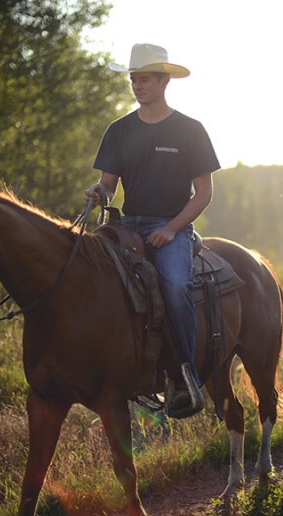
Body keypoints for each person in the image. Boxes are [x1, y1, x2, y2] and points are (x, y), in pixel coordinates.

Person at [84, 43, 220, 419]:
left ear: (164, 81)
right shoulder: (119, 130)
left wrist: (173, 230)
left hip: (170, 225)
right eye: (133, 80)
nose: (136, 86)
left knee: (175, 286)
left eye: (143, 79)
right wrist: (99, 193)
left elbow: (204, 193)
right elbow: (108, 185)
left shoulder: (190, 130)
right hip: (126, 225)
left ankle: (185, 376)